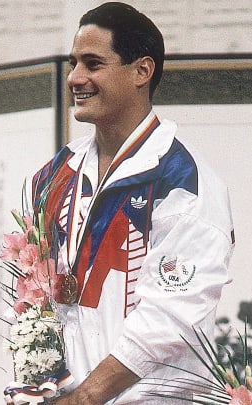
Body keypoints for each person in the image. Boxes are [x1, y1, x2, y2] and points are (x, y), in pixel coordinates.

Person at [29, 2, 236, 403]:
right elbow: (35, 299)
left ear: (142, 71)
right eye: (74, 63)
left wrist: (86, 397)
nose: (75, 78)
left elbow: (172, 316)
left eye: (93, 64)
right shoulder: (57, 172)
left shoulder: (183, 179)